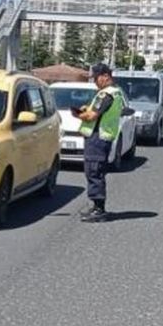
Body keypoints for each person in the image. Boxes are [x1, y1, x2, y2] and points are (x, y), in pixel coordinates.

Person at [72, 63, 124, 223]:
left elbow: (92, 116)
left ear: (106, 76)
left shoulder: (106, 94)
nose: (94, 82)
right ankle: (96, 206)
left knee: (94, 171)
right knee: (95, 171)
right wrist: (86, 108)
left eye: (96, 78)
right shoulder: (116, 93)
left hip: (98, 138)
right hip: (102, 136)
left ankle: (99, 209)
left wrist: (78, 115)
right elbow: (98, 112)